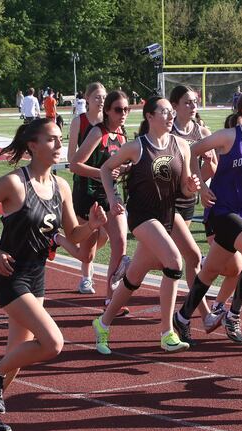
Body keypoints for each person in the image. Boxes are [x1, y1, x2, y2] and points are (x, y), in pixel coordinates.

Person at [0, 118, 106, 431]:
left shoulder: (61, 186)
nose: (58, 145)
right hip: (9, 274)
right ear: (33, 146)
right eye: (52, 140)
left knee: (17, 356)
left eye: (59, 139)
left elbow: (74, 233)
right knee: (53, 343)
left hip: (37, 277)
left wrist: (93, 226)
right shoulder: (14, 183)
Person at [92, 96, 202, 354]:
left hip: (167, 213)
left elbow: (184, 186)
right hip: (142, 216)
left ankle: (102, 322)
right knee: (175, 261)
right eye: (164, 112)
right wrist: (113, 197)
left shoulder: (182, 146)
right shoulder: (137, 147)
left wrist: (192, 186)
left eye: (171, 111)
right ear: (149, 117)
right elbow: (106, 169)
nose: (170, 115)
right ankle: (167, 332)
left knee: (134, 278)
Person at [175, 91, 242, 345]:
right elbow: (191, 151)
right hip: (221, 212)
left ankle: (181, 317)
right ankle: (233, 315)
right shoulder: (229, 136)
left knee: (211, 270)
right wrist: (201, 186)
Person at [168, 85, 220, 345]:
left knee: (163, 259)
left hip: (188, 202)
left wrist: (205, 174)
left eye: (195, 102)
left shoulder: (202, 132)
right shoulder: (168, 131)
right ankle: (204, 314)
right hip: (166, 202)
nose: (193, 106)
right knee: (192, 256)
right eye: (187, 102)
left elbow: (210, 170)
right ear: (175, 106)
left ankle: (129, 267)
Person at [69, 90, 130, 309]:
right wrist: (103, 171)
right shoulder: (97, 132)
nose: (123, 114)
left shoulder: (122, 135)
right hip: (89, 195)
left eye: (126, 109)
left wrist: (124, 170)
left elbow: (116, 166)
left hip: (111, 194)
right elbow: (75, 165)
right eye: (118, 110)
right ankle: (58, 240)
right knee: (87, 254)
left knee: (120, 242)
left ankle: (111, 299)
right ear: (107, 111)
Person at [67, 82, 107, 296]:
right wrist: (95, 169)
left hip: (107, 185)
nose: (101, 100)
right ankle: (86, 278)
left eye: (103, 97)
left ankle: (79, 252)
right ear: (88, 99)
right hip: (84, 184)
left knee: (105, 236)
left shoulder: (110, 123)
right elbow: (70, 157)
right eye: (97, 97)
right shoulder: (79, 122)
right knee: (90, 236)